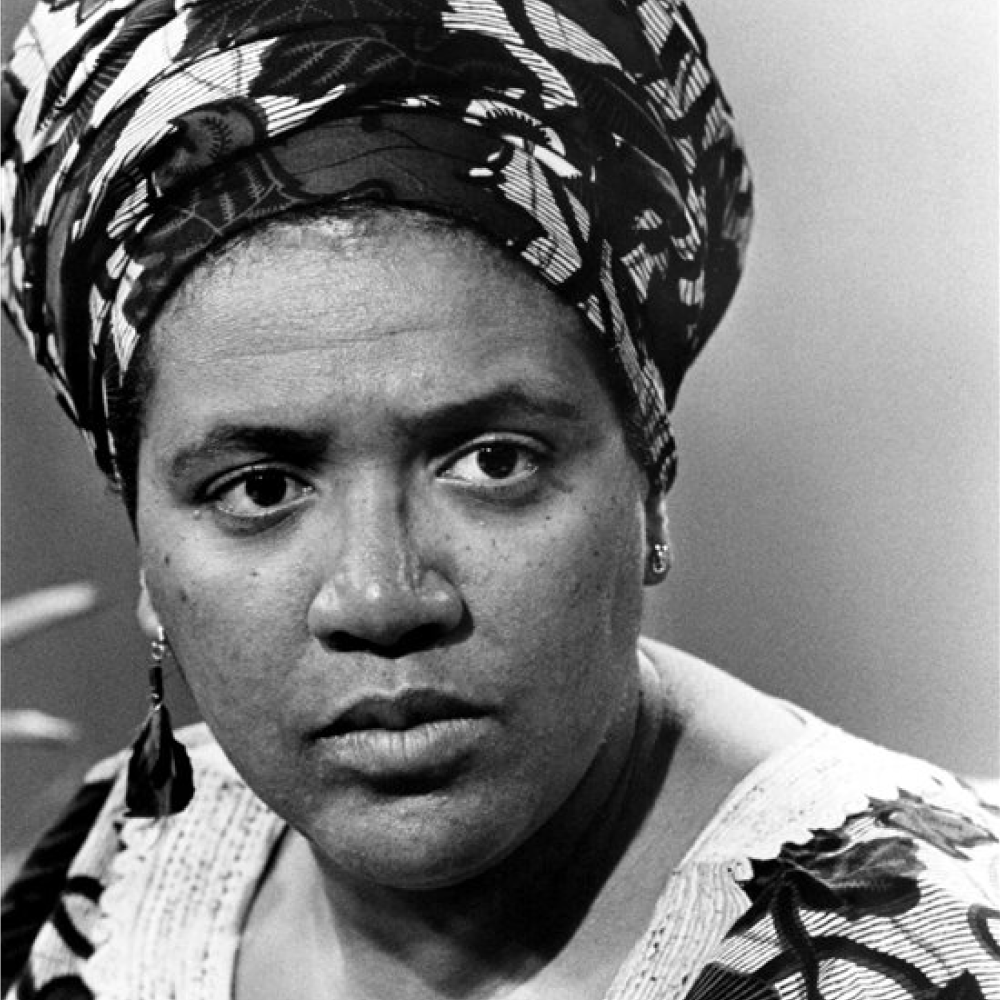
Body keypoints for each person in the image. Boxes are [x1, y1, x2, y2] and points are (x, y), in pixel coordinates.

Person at [1, 1, 997, 997]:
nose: (381, 599)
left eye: (490, 461)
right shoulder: (121, 869)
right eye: (260, 487)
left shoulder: (909, 961)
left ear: (650, 480)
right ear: (146, 550)